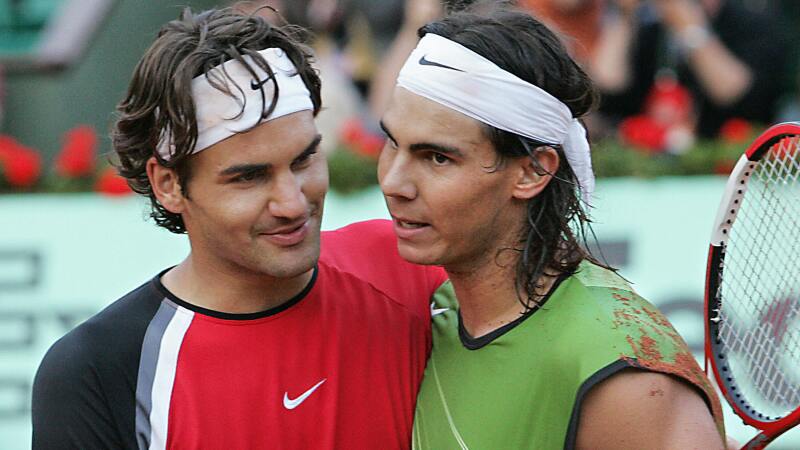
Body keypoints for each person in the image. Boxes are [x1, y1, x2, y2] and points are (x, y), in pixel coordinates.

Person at [31, 8, 446, 449]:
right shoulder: (97, 371)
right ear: (168, 185)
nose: (292, 202)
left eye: (304, 159)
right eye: (249, 177)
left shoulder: (408, 267)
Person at [376, 6, 727, 449]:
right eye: (392, 143)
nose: (393, 182)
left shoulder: (626, 376)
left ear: (532, 172)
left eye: (437, 157)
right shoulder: (427, 314)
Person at [591, 0, 791, 138]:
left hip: (728, 165)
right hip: (646, 169)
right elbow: (607, 88)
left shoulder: (751, 19)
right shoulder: (649, 26)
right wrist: (624, 16)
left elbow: (737, 95)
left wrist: (690, 28)